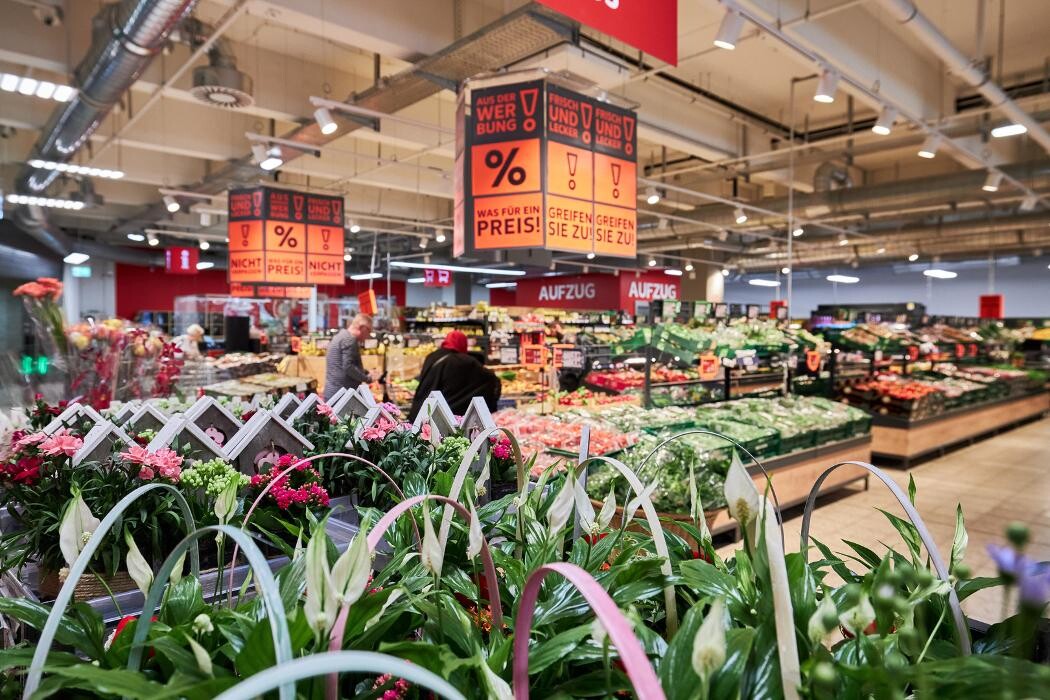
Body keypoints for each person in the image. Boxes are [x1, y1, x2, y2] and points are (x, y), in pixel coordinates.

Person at [408, 330, 501, 420]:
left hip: (422, 409)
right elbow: (491, 379)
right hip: (449, 415)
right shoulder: (464, 361)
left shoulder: (432, 356)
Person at [324, 313, 373, 400]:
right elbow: (348, 367)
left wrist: (364, 372)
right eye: (369, 331)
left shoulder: (342, 335)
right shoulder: (349, 339)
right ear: (362, 328)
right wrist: (367, 378)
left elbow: (344, 364)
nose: (368, 335)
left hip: (335, 392)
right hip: (341, 395)